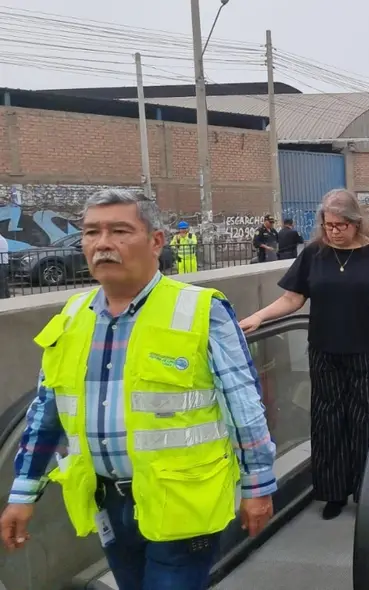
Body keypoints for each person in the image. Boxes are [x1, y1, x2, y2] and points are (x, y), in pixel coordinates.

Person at [0, 189, 276, 590]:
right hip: (108, 502)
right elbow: (47, 411)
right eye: (92, 232)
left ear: (156, 241)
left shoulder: (201, 310)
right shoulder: (73, 315)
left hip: (184, 501)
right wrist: (23, 494)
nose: (103, 243)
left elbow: (245, 404)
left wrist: (258, 486)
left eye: (120, 231)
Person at [239, 189, 369, 520]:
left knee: (366, 422)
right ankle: (333, 492)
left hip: (367, 351)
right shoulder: (314, 254)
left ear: (356, 223)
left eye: (341, 225)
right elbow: (293, 299)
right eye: (329, 225)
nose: (334, 231)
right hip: (324, 350)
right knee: (328, 421)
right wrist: (259, 316)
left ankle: (367, 492)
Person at [0, 233, 9, 299]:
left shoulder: (1, 240)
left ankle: (3, 298)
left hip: (2, 263)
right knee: (3, 282)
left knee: (2, 282)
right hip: (3, 263)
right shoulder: (2, 239)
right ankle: (6, 296)